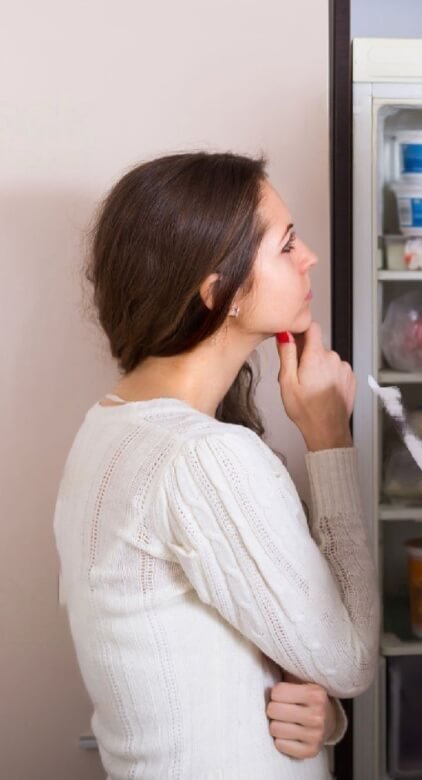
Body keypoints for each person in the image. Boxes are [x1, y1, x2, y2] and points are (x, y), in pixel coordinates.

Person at [54, 152, 379, 778]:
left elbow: (231, 655)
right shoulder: (204, 459)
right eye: (286, 246)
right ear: (216, 292)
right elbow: (351, 659)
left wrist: (319, 710)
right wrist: (330, 440)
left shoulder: (110, 423)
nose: (308, 256)